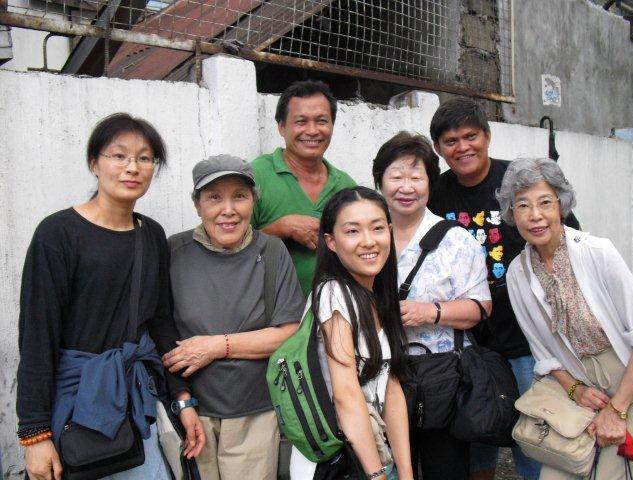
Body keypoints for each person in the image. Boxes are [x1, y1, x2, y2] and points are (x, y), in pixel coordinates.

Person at [16, 113, 205, 480]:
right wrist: (34, 434)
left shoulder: (151, 235)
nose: (132, 167)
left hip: (133, 407)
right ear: (94, 163)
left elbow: (160, 323)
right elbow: (37, 336)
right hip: (72, 408)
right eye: (119, 156)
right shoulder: (58, 234)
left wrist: (183, 399)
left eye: (145, 158)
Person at [428, 98, 579, 480]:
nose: (462, 147)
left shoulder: (517, 182)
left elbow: (567, 237)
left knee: (534, 434)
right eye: (450, 141)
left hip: (526, 336)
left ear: (487, 136)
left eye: (470, 136)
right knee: (477, 432)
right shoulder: (435, 194)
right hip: (468, 341)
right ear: (438, 148)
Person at [162, 154, 306, 480]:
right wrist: (182, 402)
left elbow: (288, 332)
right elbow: (160, 328)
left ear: (253, 201)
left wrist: (215, 346)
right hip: (191, 414)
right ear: (197, 205)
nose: (228, 210)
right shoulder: (174, 252)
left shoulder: (272, 251)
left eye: (239, 196)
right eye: (214, 198)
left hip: (255, 413)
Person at [497, 157, 633, 480]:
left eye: (545, 202)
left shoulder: (597, 252)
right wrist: (575, 389)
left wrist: (617, 409)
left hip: (628, 379)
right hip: (575, 385)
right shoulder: (518, 273)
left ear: (561, 205)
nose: (535, 215)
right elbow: (543, 352)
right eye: (523, 206)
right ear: (511, 214)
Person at [373, 131, 492, 479]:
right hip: (380, 375)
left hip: (440, 378)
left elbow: (481, 307)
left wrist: (431, 311)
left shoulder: (456, 240)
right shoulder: (367, 234)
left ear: (430, 182)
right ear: (380, 181)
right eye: (396, 177)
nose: (406, 187)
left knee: (445, 468)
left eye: (416, 177)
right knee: (388, 467)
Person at [289, 187, 413, 480]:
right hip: (337, 463)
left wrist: (406, 472)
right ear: (331, 242)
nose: (368, 241)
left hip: (372, 455)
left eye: (377, 228)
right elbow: (346, 395)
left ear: (390, 231)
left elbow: (391, 386)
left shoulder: (377, 294)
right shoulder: (333, 294)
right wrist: (376, 475)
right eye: (352, 231)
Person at [251, 80, 356, 297]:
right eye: (301, 121)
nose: (312, 130)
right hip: (270, 314)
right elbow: (229, 248)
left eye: (322, 121)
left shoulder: (346, 186)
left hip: (335, 310)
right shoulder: (256, 175)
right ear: (281, 127)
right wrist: (281, 228)